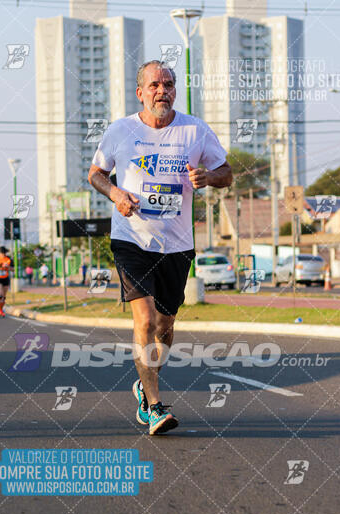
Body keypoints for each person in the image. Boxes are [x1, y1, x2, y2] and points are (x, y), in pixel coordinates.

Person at [88, 60, 232, 435]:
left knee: (165, 327)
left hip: (177, 244)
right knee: (146, 320)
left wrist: (209, 176)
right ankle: (154, 405)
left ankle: (144, 380)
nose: (162, 91)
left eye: (168, 84)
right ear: (140, 92)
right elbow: (96, 174)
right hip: (131, 240)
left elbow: (227, 173)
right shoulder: (120, 131)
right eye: (154, 85)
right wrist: (116, 193)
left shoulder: (195, 130)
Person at [0, 246, 14, 317]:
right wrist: (1, 266)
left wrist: (8, 267)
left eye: (4, 253)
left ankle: (0, 310)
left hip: (5, 278)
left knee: (4, 296)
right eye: (2, 253)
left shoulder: (8, 259)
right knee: (0, 293)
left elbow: (13, 269)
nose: (3, 255)